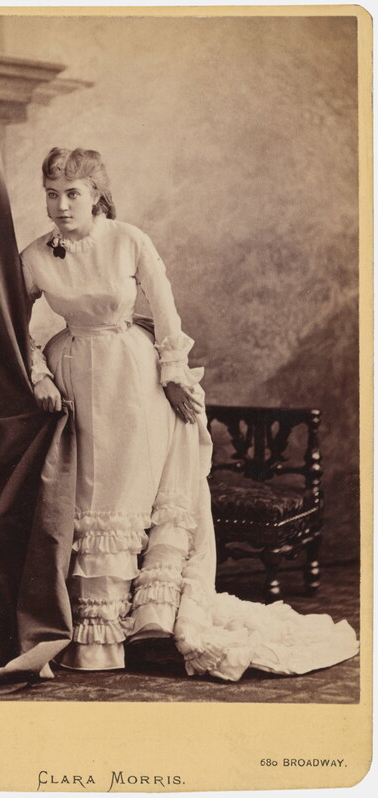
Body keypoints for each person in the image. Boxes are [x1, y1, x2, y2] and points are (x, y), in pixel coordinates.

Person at [20, 147, 358, 681]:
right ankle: (95, 641)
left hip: (132, 378)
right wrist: (38, 374)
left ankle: (149, 623)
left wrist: (174, 374)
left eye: (73, 194)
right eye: (52, 195)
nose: (61, 206)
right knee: (88, 495)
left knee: (131, 492)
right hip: (73, 381)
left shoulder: (129, 240)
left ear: (96, 196)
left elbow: (167, 308)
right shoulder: (36, 254)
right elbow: (13, 324)